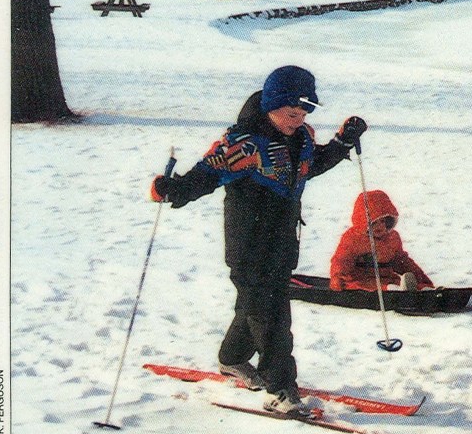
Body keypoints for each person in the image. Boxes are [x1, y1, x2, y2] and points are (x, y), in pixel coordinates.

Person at [149, 65, 368, 414]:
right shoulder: (245, 143)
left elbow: (310, 166)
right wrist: (174, 189)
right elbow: (208, 173)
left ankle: (232, 358)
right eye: (291, 114)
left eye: (303, 114)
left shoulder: (302, 138)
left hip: (282, 241)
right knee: (271, 317)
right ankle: (280, 389)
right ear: (271, 105)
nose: (297, 120)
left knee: (257, 306)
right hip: (249, 245)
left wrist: (341, 143)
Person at [329, 190, 435, 292]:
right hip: (361, 280)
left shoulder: (392, 237)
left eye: (383, 221)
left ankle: (421, 289)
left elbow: (401, 261)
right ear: (364, 223)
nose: (379, 226)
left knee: (397, 283)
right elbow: (342, 260)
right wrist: (337, 277)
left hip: (386, 278)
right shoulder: (353, 238)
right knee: (370, 286)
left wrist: (422, 280)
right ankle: (394, 291)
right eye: (374, 223)